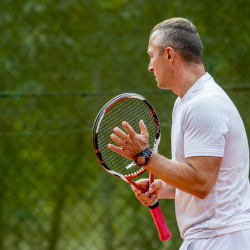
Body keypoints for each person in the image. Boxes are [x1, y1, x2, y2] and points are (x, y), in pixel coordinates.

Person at [108, 17, 250, 249]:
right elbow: (206, 182)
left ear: (170, 55)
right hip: (210, 236)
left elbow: (202, 183)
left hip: (222, 237)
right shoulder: (186, 102)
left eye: (152, 55)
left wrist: (145, 156)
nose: (150, 66)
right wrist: (162, 188)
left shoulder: (204, 105)